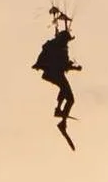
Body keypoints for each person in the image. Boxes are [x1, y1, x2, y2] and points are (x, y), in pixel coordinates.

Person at [32, 9, 80, 149]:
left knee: (65, 91)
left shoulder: (59, 47)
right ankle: (61, 119)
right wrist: (75, 68)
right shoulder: (58, 48)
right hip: (54, 73)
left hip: (55, 73)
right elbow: (63, 64)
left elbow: (64, 64)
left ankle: (60, 114)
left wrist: (74, 68)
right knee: (69, 97)